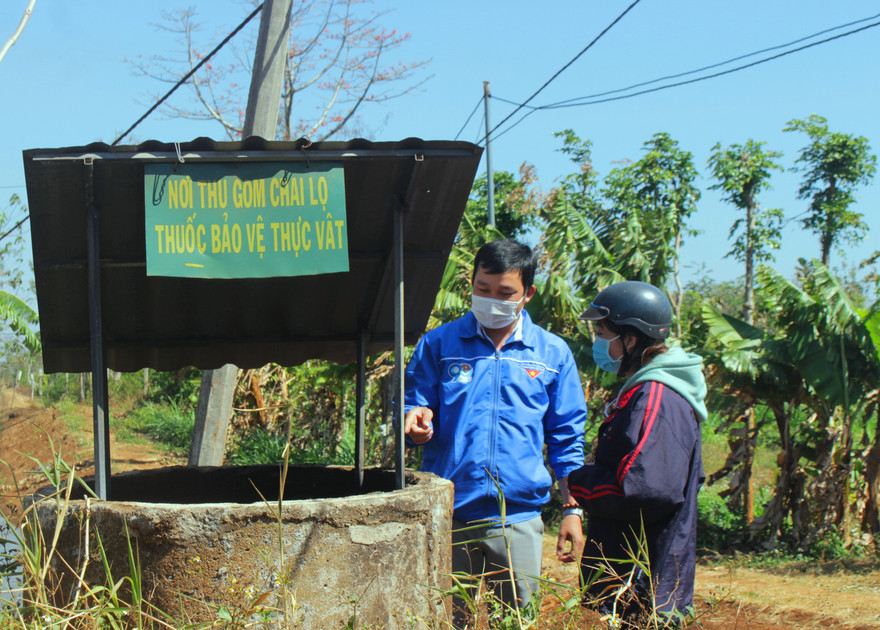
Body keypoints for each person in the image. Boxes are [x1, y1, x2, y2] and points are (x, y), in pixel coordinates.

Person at [403, 239, 587, 623]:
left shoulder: (552, 354)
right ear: (471, 283)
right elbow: (413, 404)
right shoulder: (438, 344)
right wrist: (415, 420)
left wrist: (572, 509)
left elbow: (566, 438)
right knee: (448, 619)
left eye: (505, 293)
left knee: (517, 621)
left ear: (528, 294)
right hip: (449, 513)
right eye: (482, 289)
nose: (490, 300)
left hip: (518, 517)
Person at [567, 281, 707, 624]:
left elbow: (646, 490)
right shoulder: (647, 391)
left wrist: (580, 482)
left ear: (630, 339)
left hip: (643, 588)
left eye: (603, 333)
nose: (599, 343)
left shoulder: (656, 397)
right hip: (630, 584)